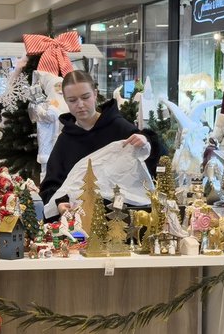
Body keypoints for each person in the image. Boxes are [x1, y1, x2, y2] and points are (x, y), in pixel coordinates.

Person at [39, 71, 162, 221]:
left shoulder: (119, 127)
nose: (80, 105)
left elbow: (154, 162)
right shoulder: (65, 140)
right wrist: (60, 204)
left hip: (121, 223)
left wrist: (146, 140)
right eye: (72, 100)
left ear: (95, 94)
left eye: (85, 97)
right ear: (65, 100)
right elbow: (51, 185)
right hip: (81, 226)